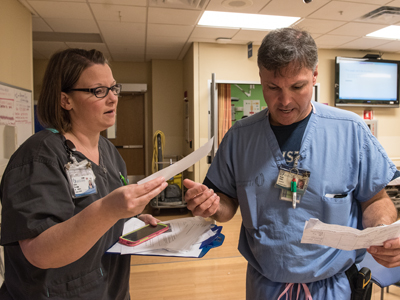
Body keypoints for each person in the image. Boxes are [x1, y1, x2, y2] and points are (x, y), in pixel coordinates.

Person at [183, 27, 400, 299]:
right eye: (273, 87)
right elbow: (226, 207)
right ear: (261, 77)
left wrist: (382, 232)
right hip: (266, 286)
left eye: (297, 87)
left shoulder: (351, 131)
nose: (284, 101)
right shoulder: (240, 137)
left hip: (334, 287)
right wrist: (211, 205)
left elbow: (376, 199)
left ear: (314, 75)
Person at [0, 49, 167, 299]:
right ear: (65, 100)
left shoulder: (109, 152)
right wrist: (110, 209)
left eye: (114, 88)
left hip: (111, 289)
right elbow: (39, 253)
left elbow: (102, 218)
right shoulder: (39, 156)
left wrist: (131, 220)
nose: (112, 98)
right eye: (99, 91)